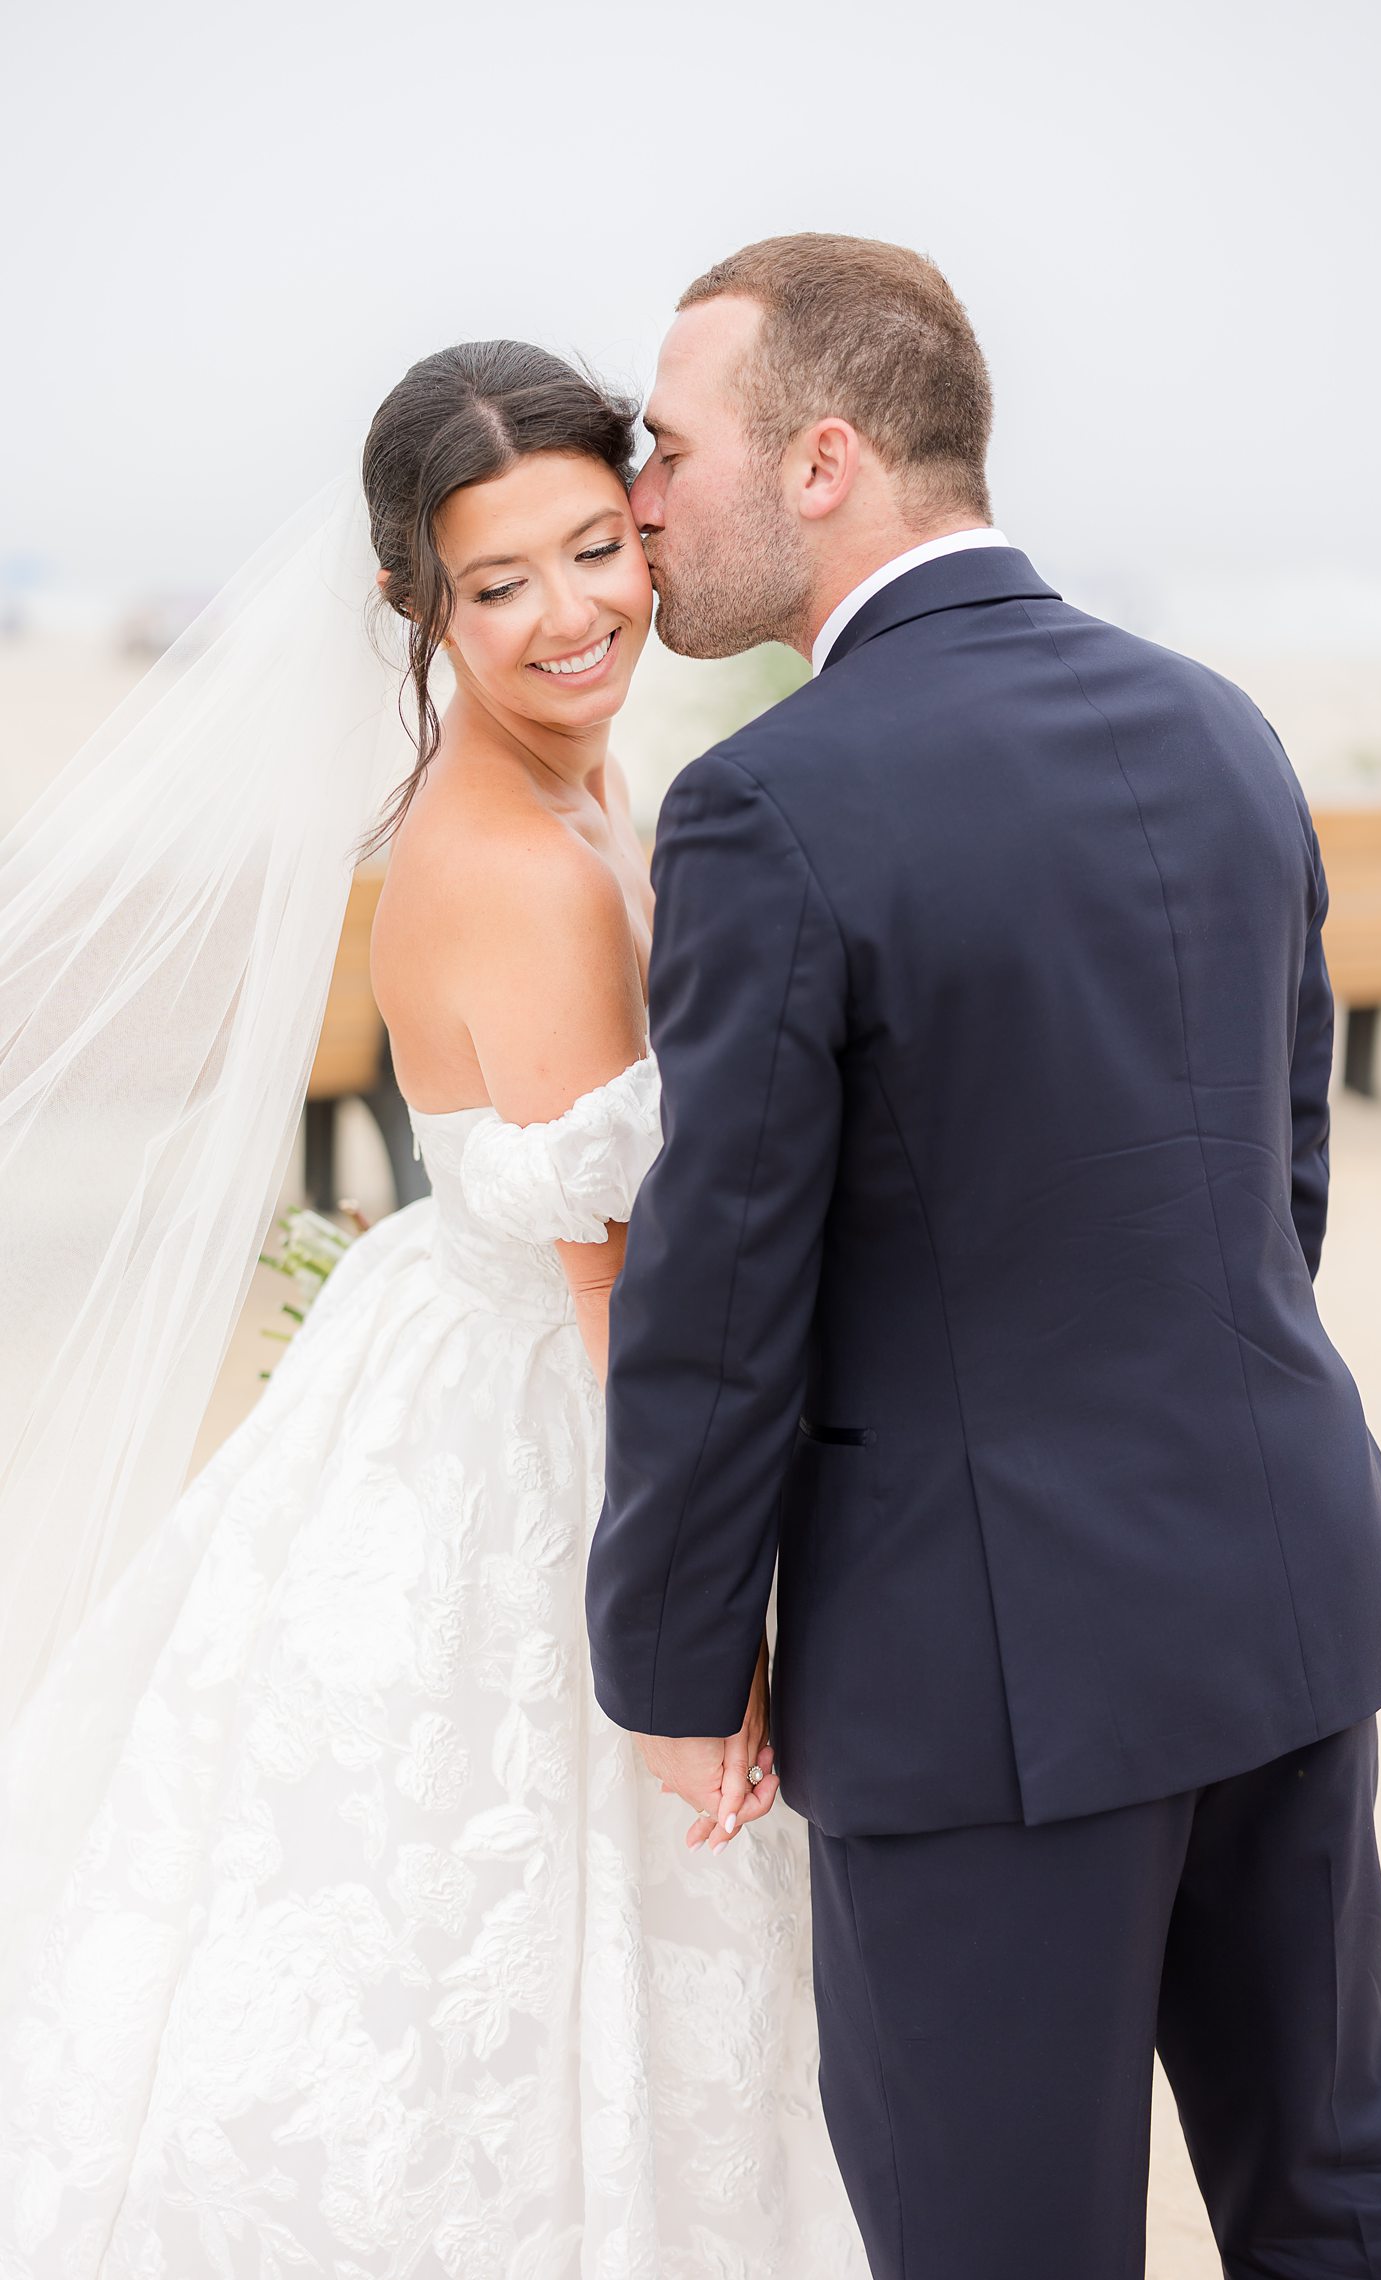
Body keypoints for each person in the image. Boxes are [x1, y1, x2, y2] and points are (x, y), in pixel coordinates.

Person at [587, 234, 1381, 2279]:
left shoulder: (768, 805)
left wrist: (674, 1660)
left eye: (668, 440)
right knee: (1337, 2195)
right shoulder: (1217, 726)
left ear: (819, 462)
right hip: (1275, 1597)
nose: (640, 490)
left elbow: (725, 1309)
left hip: (984, 1687)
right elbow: (1281, 1178)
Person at [0, 342, 865, 2277]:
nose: (574, 615)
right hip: (537, 1426)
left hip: (449, 1354)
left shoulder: (573, 777)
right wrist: (696, 1641)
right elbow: (615, 1276)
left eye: (593, 550)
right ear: (413, 603)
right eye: (500, 585)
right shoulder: (513, 868)